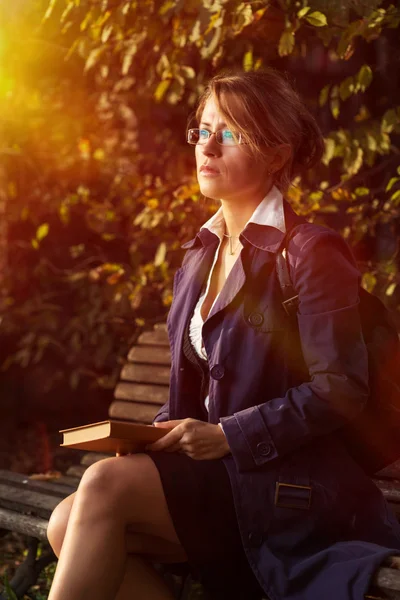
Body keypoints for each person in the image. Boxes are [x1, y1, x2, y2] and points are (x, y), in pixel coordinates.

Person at [46, 68, 400, 600]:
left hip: (291, 486)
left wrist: (229, 434)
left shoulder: (311, 251)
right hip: (222, 476)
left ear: (277, 154)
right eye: (203, 129)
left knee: (99, 489)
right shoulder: (197, 256)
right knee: (64, 520)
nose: (207, 146)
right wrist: (150, 440)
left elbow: (340, 389)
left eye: (230, 134)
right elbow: (190, 401)